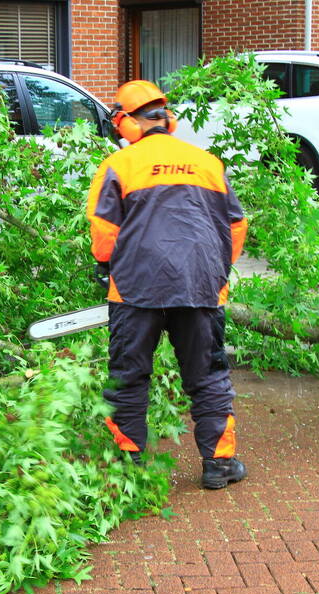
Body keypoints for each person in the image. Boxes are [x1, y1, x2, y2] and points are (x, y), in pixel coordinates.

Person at [86, 80, 249, 489]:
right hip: (201, 288)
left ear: (124, 123)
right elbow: (237, 224)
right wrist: (214, 270)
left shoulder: (119, 165)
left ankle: (129, 463)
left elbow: (104, 230)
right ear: (166, 119)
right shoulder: (207, 162)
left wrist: (105, 265)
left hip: (135, 290)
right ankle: (219, 464)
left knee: (128, 375)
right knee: (208, 375)